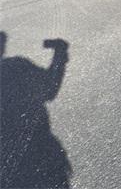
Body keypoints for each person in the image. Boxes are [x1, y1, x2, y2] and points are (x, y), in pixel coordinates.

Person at [0, 32, 72, 188]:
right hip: (40, 157)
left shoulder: (16, 67)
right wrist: (60, 54)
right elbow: (50, 89)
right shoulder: (16, 67)